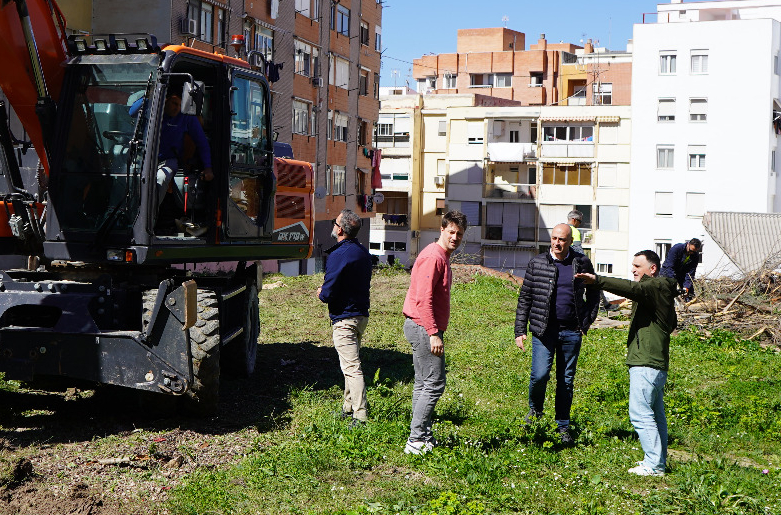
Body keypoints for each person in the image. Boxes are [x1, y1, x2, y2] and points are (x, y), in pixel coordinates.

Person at [575, 250, 678, 476]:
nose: (633, 269)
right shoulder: (660, 293)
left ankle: (654, 465)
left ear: (652, 269)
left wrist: (597, 280)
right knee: (654, 414)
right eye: (632, 265)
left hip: (647, 363)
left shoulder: (656, 286)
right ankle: (657, 460)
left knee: (640, 414)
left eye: (638, 266)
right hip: (654, 363)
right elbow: (671, 324)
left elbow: (632, 289)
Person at [514, 223, 600, 444]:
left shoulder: (581, 262)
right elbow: (525, 298)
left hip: (571, 331)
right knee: (540, 375)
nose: (557, 243)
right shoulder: (538, 263)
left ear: (570, 241)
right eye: (554, 238)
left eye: (562, 239)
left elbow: (594, 293)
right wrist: (519, 330)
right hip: (544, 331)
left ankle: (563, 425)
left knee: (566, 381)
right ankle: (535, 413)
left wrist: (586, 321)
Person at [402, 210, 467, 455]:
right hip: (423, 327)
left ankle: (422, 436)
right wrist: (433, 333)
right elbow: (423, 299)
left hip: (421, 325)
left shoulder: (441, 255)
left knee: (423, 383)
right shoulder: (434, 257)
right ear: (442, 229)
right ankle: (415, 439)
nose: (455, 237)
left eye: (459, 234)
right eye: (451, 232)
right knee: (435, 384)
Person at [317, 210, 373, 428]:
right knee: (349, 363)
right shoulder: (362, 252)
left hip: (344, 318)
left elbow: (327, 293)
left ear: (340, 229)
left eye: (334, 223)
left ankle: (360, 415)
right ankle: (348, 406)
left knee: (352, 367)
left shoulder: (338, 255)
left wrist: (321, 292)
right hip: (361, 316)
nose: (333, 225)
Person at [157, 93, 213, 209]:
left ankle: (149, 215)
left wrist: (208, 167)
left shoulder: (186, 117)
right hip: (144, 157)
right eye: (174, 103)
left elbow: (202, 142)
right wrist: (149, 94)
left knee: (161, 178)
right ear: (165, 100)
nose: (177, 108)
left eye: (180, 105)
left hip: (169, 159)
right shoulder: (152, 109)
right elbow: (132, 112)